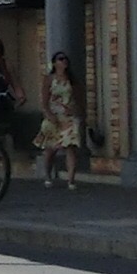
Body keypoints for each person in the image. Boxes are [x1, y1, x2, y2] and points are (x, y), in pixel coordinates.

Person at [36, 51, 87, 190]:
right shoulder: (49, 79)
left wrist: (79, 111)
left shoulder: (71, 80)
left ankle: (71, 180)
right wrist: (49, 114)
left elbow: (79, 97)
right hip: (53, 116)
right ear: (54, 63)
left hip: (69, 117)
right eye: (60, 59)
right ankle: (48, 175)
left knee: (70, 147)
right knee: (51, 149)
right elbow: (45, 100)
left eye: (65, 59)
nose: (64, 61)